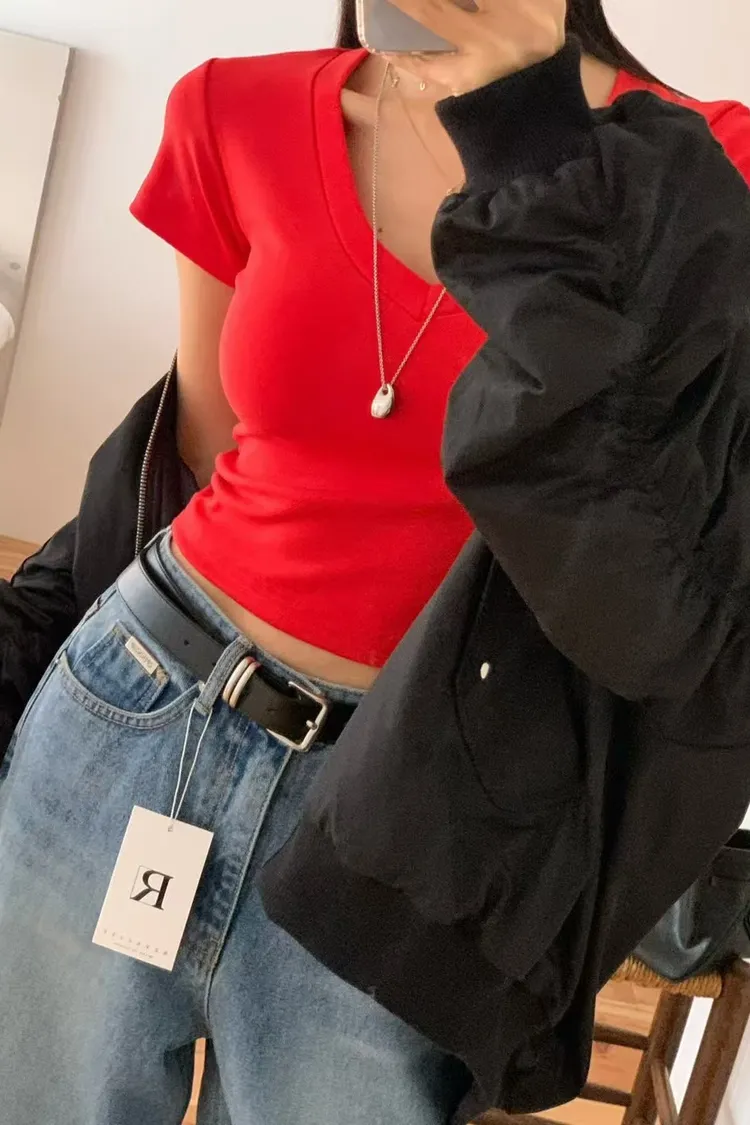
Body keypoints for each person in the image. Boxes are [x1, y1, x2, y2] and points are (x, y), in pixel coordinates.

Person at [2, 0, 750, 1122]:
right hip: (142, 709)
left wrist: (537, 135)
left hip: (416, 828)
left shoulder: (704, 165)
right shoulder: (233, 108)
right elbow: (203, 448)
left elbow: (660, 570)